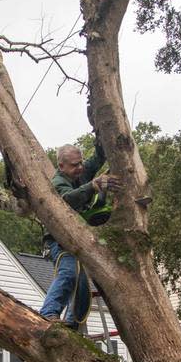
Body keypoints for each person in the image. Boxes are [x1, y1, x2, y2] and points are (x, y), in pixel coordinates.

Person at [38, 138, 121, 329]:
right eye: (75, 165)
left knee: (82, 289)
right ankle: (48, 313)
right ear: (61, 165)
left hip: (79, 239)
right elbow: (67, 200)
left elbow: (98, 157)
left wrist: (100, 135)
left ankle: (72, 327)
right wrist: (93, 185)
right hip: (59, 241)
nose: (81, 168)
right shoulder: (57, 183)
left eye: (81, 162)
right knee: (68, 273)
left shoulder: (80, 172)